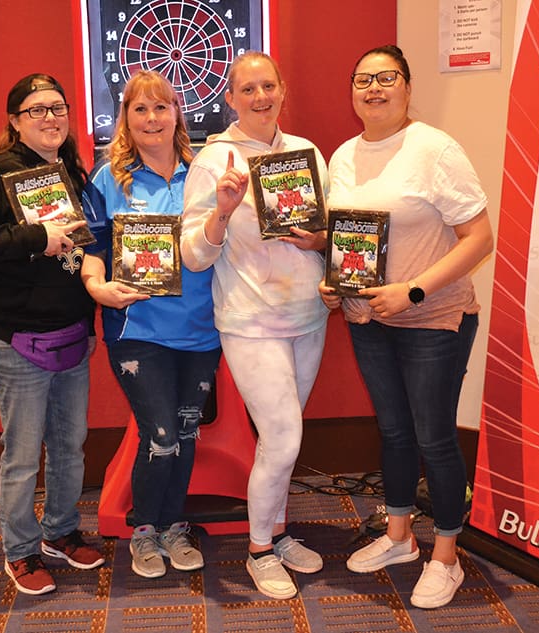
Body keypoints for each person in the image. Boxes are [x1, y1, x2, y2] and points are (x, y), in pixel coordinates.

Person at [321, 45, 494, 609]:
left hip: (433, 318)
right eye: (362, 79)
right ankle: (399, 536)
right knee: (393, 431)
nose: (373, 88)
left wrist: (414, 290)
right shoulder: (344, 155)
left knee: (433, 437)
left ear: (408, 86)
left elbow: (480, 239)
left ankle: (446, 556)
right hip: (368, 318)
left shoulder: (434, 149)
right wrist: (334, 283)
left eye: (386, 77)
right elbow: (349, 239)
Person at [0, 73, 105, 596]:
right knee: (22, 454)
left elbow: (86, 251)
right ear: (15, 121)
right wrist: (36, 237)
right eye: (36, 110)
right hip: (14, 337)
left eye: (57, 107)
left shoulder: (72, 172)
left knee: (70, 447)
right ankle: (20, 550)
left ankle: (61, 531)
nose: (50, 118)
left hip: (71, 334)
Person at [181, 51, 329, 600]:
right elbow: (193, 255)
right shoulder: (214, 160)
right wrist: (222, 210)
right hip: (249, 319)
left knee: (281, 438)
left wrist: (318, 240)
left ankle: (279, 532)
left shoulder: (306, 152)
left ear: (282, 90)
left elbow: (328, 233)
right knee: (284, 437)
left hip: (308, 315)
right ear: (231, 99)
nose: (260, 97)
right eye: (248, 89)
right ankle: (260, 549)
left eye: (268, 86)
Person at [80, 70, 221, 579]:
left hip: (203, 330)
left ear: (177, 113)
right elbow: (92, 249)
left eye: (161, 107)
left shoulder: (204, 173)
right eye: (140, 108)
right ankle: (145, 529)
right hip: (137, 331)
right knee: (159, 435)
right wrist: (96, 286)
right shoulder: (106, 179)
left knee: (185, 433)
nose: (152, 118)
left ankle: (173, 526)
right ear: (126, 118)